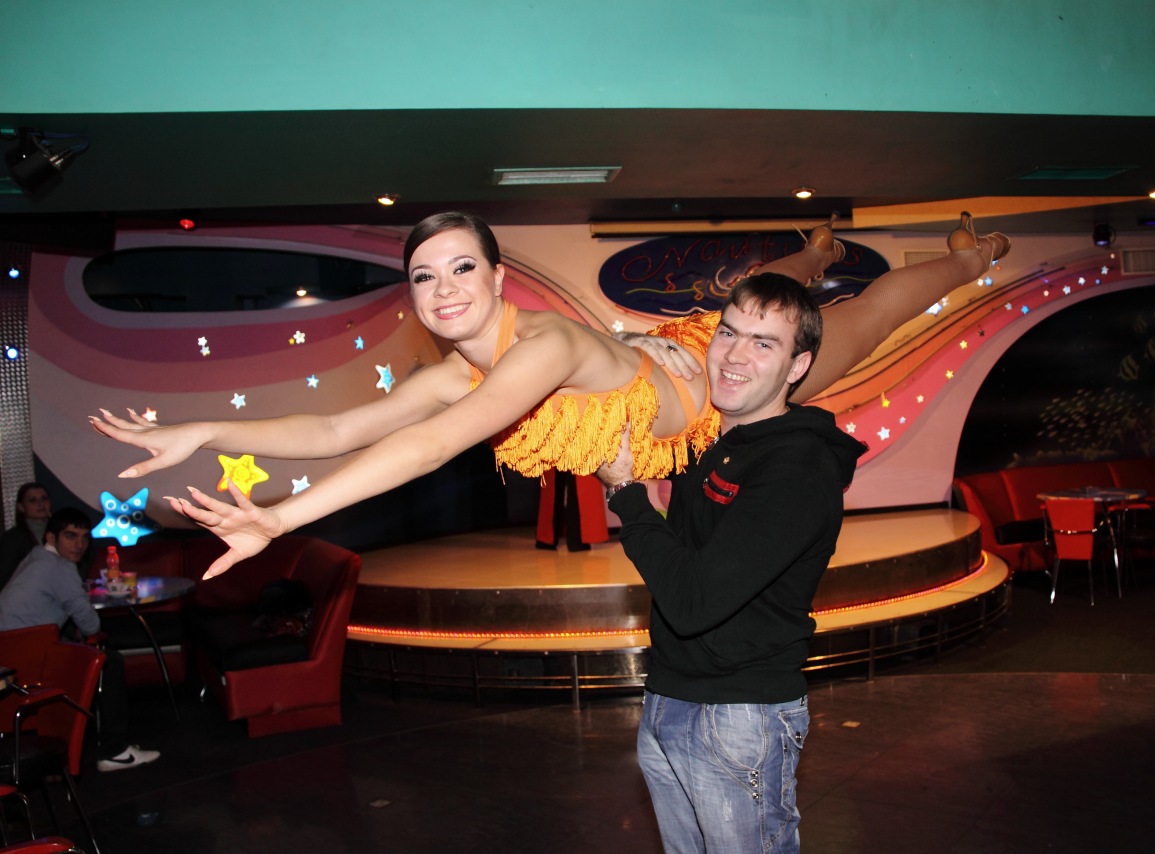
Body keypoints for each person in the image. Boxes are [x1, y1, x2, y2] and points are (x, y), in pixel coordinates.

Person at [90, 212, 1009, 578]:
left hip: (719, 384)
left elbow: (432, 445)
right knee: (763, 289)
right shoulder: (460, 371)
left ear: (497, 279)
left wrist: (280, 520)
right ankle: (813, 249)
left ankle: (970, 259)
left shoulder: (545, 346)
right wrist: (201, 429)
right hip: (668, 368)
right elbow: (336, 426)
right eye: (423, 276)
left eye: (462, 268)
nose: (444, 289)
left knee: (864, 316)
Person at [594, 273, 856, 853]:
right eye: (728, 333)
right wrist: (634, 344)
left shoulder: (797, 468)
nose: (735, 356)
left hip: (741, 717)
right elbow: (587, 391)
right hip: (669, 698)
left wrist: (627, 495)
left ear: (797, 366)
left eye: (764, 343)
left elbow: (694, 601)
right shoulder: (712, 441)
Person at [0, 508, 161, 772]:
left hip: (10, 656)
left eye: (84, 537)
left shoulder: (36, 557)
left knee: (90, 651)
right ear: (51, 537)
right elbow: (91, 624)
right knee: (108, 661)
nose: (79, 544)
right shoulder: (59, 568)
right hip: (25, 664)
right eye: (70, 536)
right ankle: (114, 751)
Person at [0, 482, 53, 591]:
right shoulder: (13, 538)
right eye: (32, 500)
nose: (40, 504)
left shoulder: (62, 532)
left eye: (44, 498)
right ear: (21, 507)